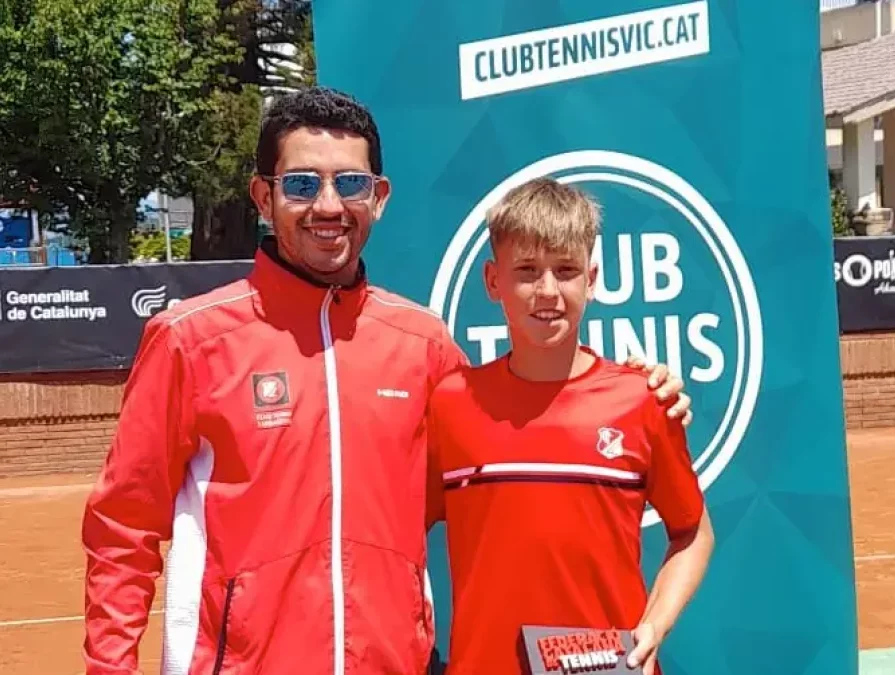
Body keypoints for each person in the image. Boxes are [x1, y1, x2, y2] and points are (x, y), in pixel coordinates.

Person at [80, 87, 691, 674]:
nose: (327, 206)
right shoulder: (190, 340)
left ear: (378, 198)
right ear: (262, 198)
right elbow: (122, 529)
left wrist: (640, 389)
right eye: (300, 184)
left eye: (350, 183)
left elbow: (527, 417)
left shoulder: (423, 345)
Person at [425, 178, 716, 675]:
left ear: (592, 278)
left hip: (606, 669)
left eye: (565, 271)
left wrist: (654, 627)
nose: (548, 291)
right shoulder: (452, 404)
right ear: (493, 282)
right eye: (526, 271)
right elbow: (398, 538)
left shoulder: (642, 400)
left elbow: (693, 533)